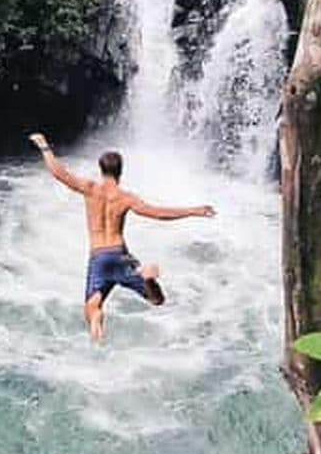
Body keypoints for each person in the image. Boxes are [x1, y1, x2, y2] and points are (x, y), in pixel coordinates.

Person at [28, 132, 215, 342]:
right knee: (157, 300)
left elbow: (60, 173)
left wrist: (44, 146)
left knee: (91, 308)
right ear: (120, 171)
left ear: (101, 169)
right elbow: (157, 213)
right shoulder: (126, 198)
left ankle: (97, 317)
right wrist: (193, 210)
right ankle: (148, 279)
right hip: (120, 255)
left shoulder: (90, 189)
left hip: (98, 258)